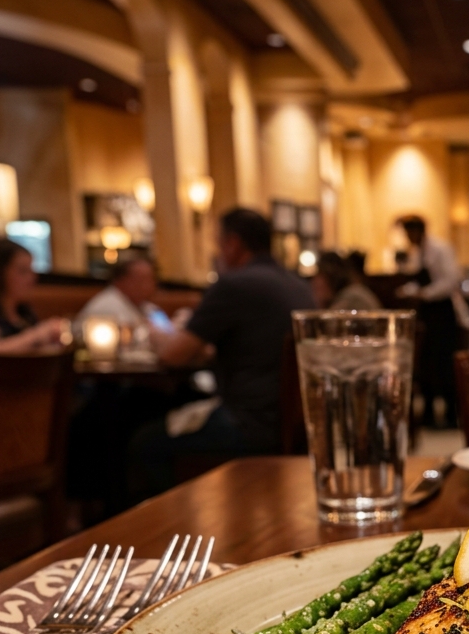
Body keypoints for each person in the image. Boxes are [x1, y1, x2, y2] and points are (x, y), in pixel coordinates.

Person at [130, 208, 314, 498]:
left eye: (218, 243)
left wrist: (156, 335)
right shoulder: (300, 287)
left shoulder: (233, 285)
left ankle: (172, 533)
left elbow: (172, 356)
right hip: (293, 425)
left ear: (233, 244)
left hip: (247, 424)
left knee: (145, 443)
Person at [395, 215, 461, 426]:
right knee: (427, 363)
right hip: (427, 314)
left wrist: (426, 294)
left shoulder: (440, 249)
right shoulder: (417, 253)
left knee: (444, 364)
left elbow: (452, 279)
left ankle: (451, 416)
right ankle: (429, 415)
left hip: (442, 312)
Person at [0, 238, 67, 353]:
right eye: (23, 271)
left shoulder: (25, 314)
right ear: (0, 273)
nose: (32, 278)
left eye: (31, 270)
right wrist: (38, 335)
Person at [312, 251, 380, 310]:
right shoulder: (353, 292)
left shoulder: (353, 298)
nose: (314, 281)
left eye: (319, 275)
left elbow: (330, 323)